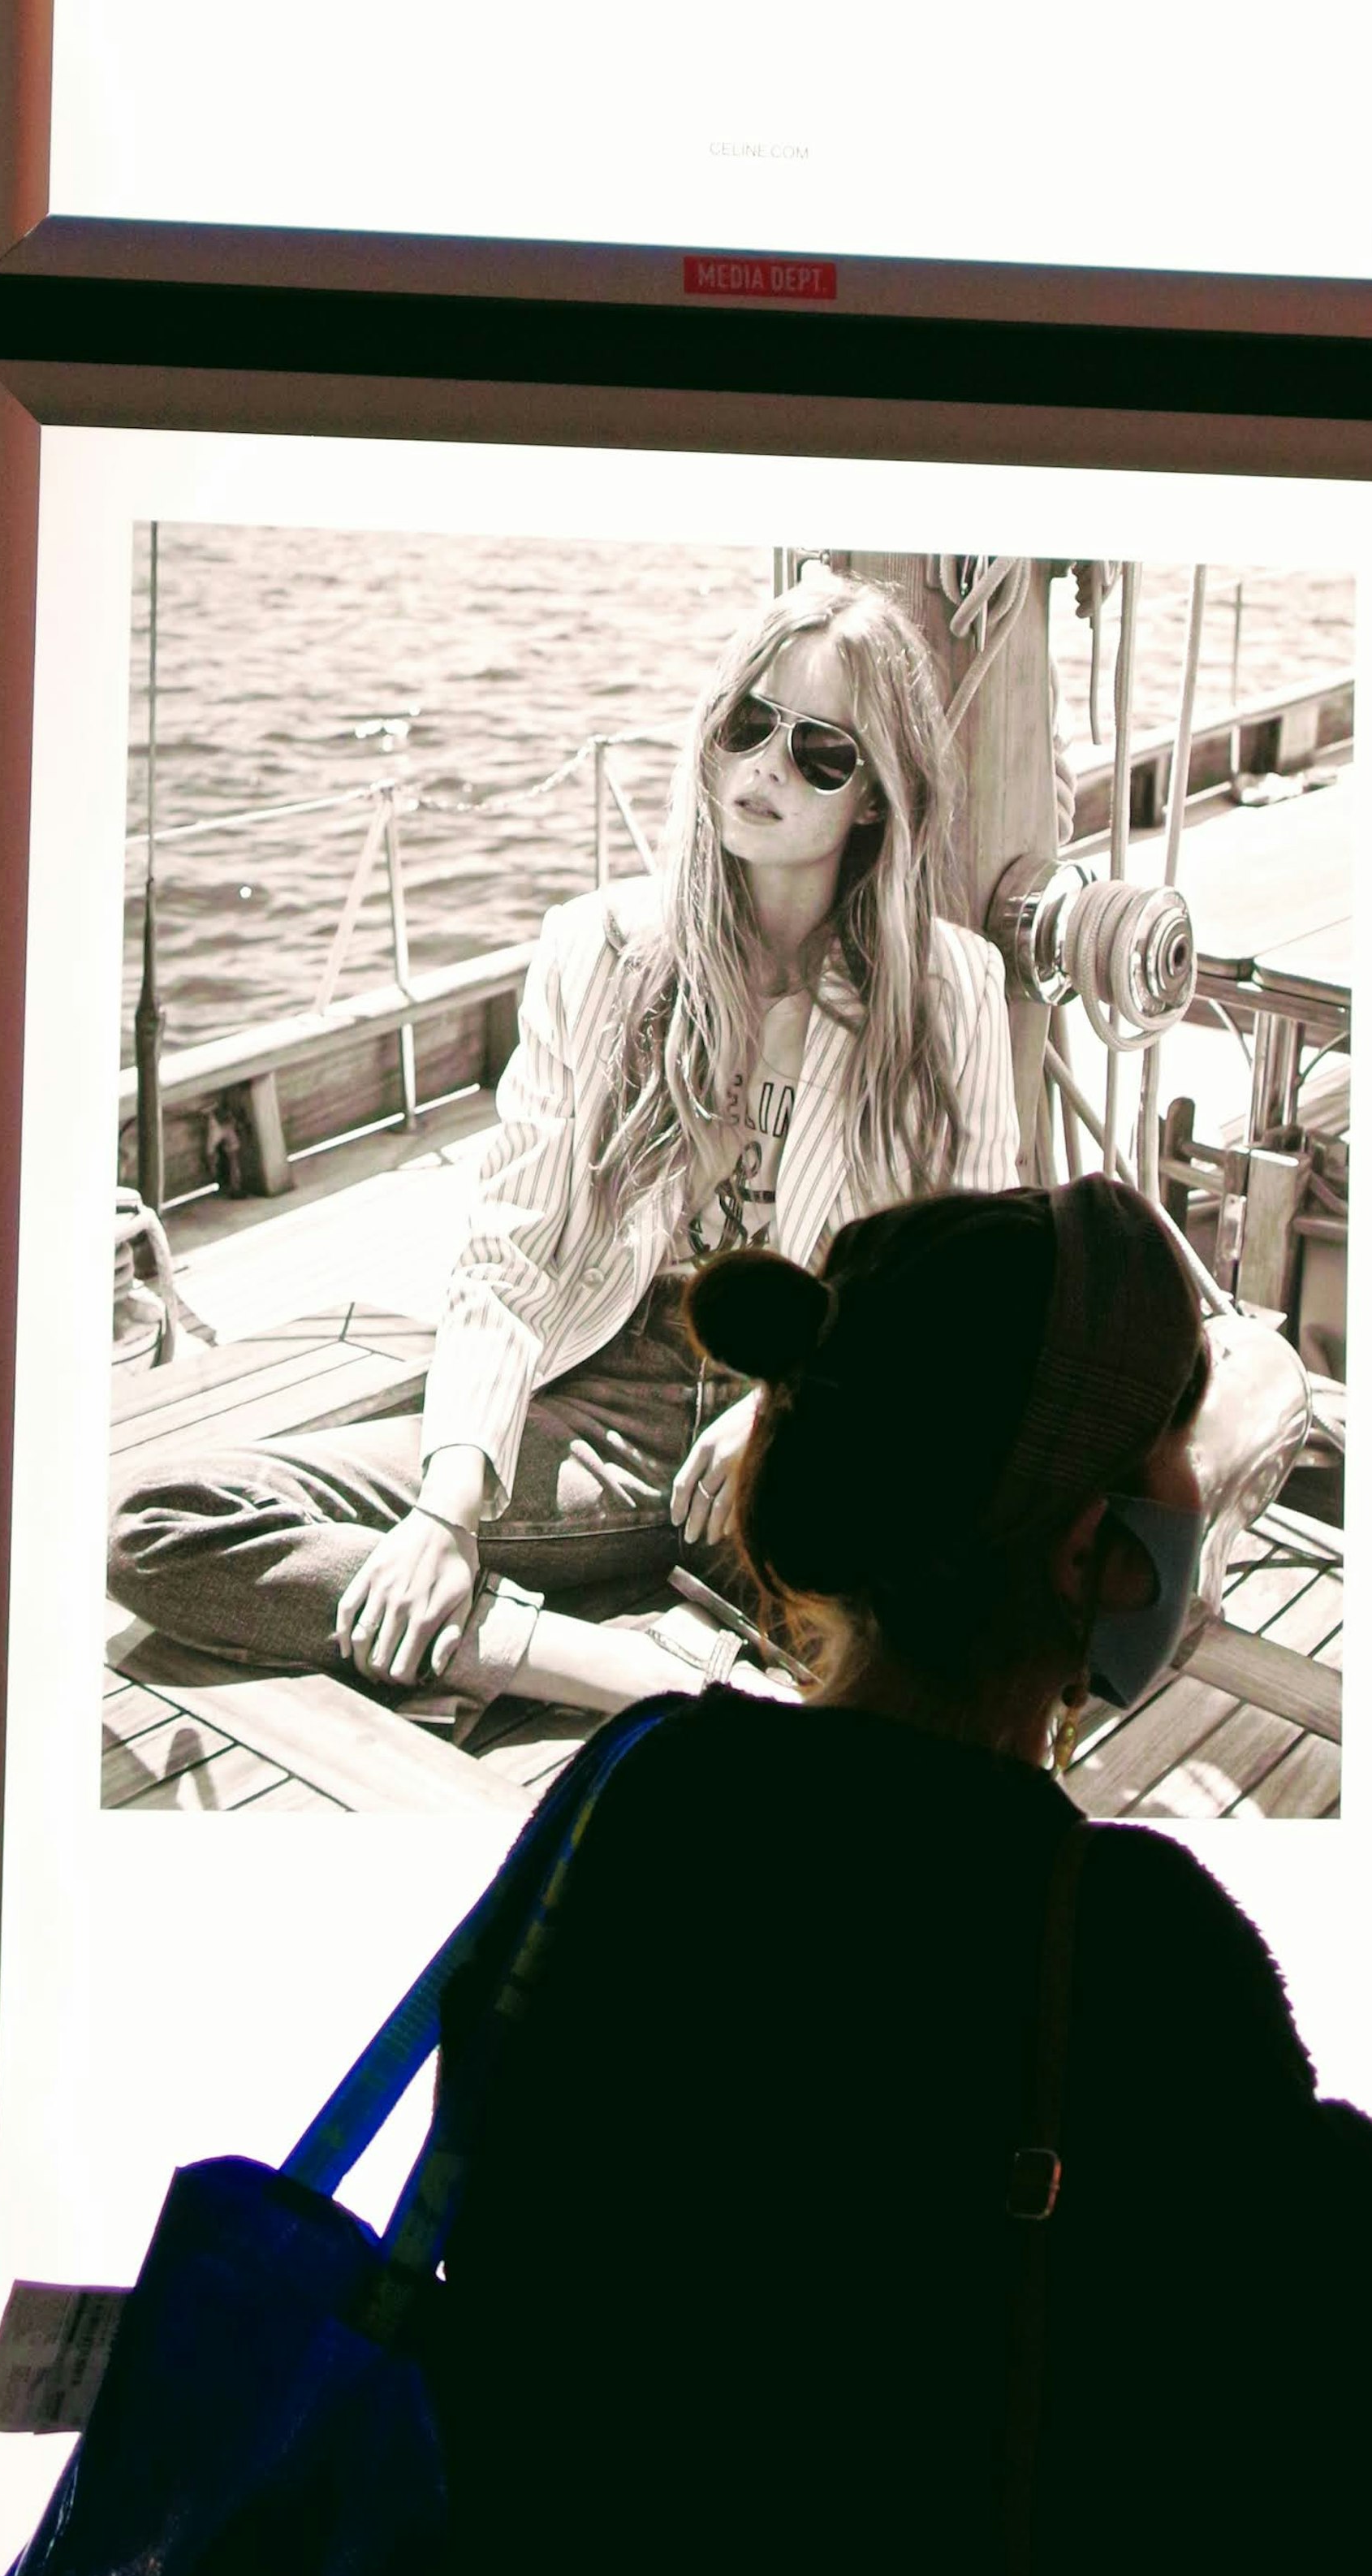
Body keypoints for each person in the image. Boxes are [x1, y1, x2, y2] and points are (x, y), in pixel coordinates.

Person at [437, 1177, 1372, 2576]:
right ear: (1094, 1553)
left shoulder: (630, 1828)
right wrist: (1340, 2178)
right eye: (1174, 1458)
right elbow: (1320, 2498)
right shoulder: (1132, 1950)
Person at [108, 572, 1020, 1731]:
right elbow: (512, 1254)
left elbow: (973, 1299)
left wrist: (798, 1404)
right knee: (164, 1521)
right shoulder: (602, 954)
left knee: (983, 1620)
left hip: (820, 1446)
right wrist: (444, 1515)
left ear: (879, 798)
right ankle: (605, 1670)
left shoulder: (948, 995)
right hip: (609, 1413)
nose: (762, 772)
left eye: (820, 752)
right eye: (746, 724)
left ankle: (590, 1649)